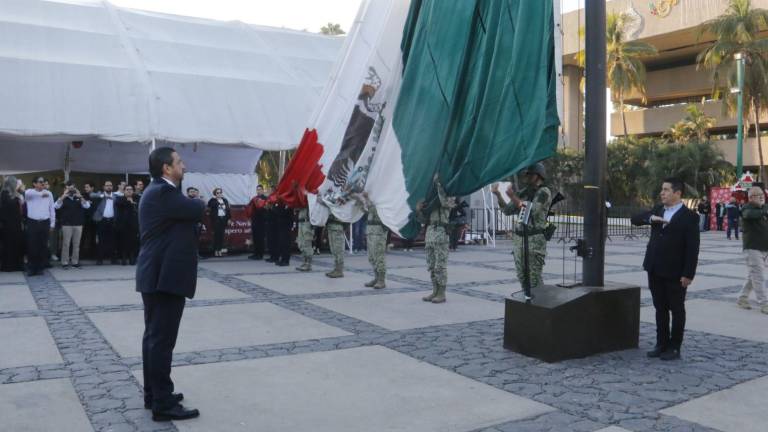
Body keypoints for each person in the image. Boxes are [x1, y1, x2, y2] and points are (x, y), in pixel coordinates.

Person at [136, 147, 203, 422]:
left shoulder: (158, 191)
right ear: (166, 168)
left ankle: (155, 393)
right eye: (179, 163)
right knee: (161, 341)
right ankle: (162, 404)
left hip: (157, 275)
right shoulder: (164, 192)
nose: (184, 167)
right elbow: (197, 208)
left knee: (154, 338)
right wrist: (195, 202)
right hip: (164, 278)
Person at [631, 177, 699, 361]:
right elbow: (634, 219)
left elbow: (692, 248)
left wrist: (688, 274)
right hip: (654, 267)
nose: (662, 193)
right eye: (662, 189)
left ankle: (674, 347)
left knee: (676, 309)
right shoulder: (658, 209)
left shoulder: (690, 217)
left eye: (666, 190)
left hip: (676, 272)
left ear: (678, 193)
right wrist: (650, 218)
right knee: (659, 308)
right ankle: (661, 344)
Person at [492, 163, 552, 299]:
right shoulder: (525, 192)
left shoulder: (544, 192)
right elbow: (507, 210)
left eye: (530, 175)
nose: (527, 178)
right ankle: (528, 301)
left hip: (534, 240)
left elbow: (533, 211)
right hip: (520, 238)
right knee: (522, 275)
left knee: (533, 277)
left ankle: (539, 304)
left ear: (538, 175)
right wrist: (499, 195)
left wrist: (513, 196)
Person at [418, 174, 454, 303]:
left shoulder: (449, 194)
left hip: (441, 232)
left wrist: (439, 184)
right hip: (430, 232)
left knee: (440, 265)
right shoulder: (431, 200)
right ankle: (434, 290)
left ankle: (441, 293)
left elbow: (445, 202)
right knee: (431, 265)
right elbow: (423, 220)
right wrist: (419, 211)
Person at [737, 186, 768, 314]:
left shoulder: (763, 209)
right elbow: (750, 215)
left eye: (762, 194)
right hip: (752, 248)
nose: (761, 197)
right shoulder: (747, 208)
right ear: (750, 198)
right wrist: (764, 209)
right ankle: (764, 303)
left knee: (753, 276)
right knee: (759, 276)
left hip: (764, 248)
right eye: (757, 195)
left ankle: (742, 298)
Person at [54, 181, 90, 269]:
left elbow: (87, 206)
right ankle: (64, 262)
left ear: (75, 188)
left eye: (72, 188)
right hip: (66, 224)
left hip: (78, 224)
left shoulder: (79, 197)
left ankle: (75, 262)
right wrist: (63, 195)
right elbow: (56, 206)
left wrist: (80, 196)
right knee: (66, 244)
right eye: (68, 188)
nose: (70, 190)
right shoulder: (63, 198)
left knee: (76, 244)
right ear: (65, 189)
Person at [24, 177, 56, 276]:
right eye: (40, 182)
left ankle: (40, 267)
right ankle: (31, 267)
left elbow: (52, 209)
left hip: (45, 222)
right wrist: (42, 193)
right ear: (34, 184)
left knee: (42, 245)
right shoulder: (29, 192)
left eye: (44, 182)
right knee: (32, 245)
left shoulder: (49, 193)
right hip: (32, 222)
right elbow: (29, 193)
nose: (43, 184)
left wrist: (52, 223)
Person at [361, 193, 387, 289]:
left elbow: (377, 212)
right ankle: (376, 277)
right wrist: (361, 203)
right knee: (371, 256)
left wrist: (367, 200)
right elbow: (367, 212)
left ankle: (381, 280)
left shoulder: (382, 199)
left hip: (378, 231)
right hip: (370, 230)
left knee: (378, 256)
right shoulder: (372, 200)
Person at [0, 177, 25, 272]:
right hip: (8, 225)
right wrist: (17, 197)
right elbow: (9, 205)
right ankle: (8, 265)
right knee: (9, 245)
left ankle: (17, 264)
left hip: (16, 224)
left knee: (17, 244)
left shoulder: (15, 194)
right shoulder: (4, 194)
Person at [91, 181, 119, 265]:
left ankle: (113, 259)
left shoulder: (115, 196)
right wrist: (102, 196)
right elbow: (92, 195)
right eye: (107, 186)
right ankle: (99, 259)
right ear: (104, 187)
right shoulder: (100, 194)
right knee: (101, 240)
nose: (109, 187)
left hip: (112, 220)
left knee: (112, 241)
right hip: (102, 220)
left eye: (110, 185)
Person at [116, 185, 140, 265]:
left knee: (133, 241)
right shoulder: (120, 199)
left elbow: (138, 208)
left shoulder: (137, 198)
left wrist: (132, 202)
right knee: (123, 241)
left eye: (131, 189)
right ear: (124, 191)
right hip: (123, 224)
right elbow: (120, 205)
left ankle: (132, 257)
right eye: (127, 189)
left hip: (133, 224)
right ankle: (124, 258)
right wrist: (129, 201)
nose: (129, 191)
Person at [244, 185, 268, 260]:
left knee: (260, 238)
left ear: (263, 190)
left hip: (262, 221)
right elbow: (250, 208)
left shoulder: (266, 199)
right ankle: (256, 253)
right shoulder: (254, 198)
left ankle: (260, 254)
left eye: (260, 189)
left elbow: (265, 210)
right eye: (257, 189)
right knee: (255, 238)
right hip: (254, 220)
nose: (259, 191)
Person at [207, 188, 231, 257]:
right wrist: (215, 199)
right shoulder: (212, 200)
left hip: (223, 219)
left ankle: (220, 250)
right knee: (216, 236)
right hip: (216, 220)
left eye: (220, 192)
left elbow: (228, 210)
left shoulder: (225, 200)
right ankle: (216, 251)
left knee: (221, 235)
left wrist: (229, 218)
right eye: (217, 193)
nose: (219, 194)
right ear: (215, 194)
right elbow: (210, 206)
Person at [325, 213, 347, 278]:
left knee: (338, 250)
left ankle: (339, 270)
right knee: (333, 249)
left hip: (337, 226)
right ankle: (336, 268)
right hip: (331, 225)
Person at [295, 204, 314, 272]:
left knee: (307, 243)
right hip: (301, 221)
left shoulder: (310, 198)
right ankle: (304, 262)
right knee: (301, 243)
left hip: (307, 222)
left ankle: (308, 264)